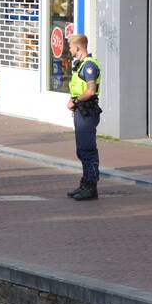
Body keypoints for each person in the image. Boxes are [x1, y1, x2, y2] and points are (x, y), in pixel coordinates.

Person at [66, 34, 101, 201]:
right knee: (82, 150)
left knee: (87, 150)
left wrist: (76, 100)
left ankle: (91, 187)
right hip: (81, 111)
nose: (69, 50)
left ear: (78, 47)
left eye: (71, 47)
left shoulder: (88, 66)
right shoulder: (80, 65)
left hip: (87, 111)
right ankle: (85, 182)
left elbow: (90, 90)